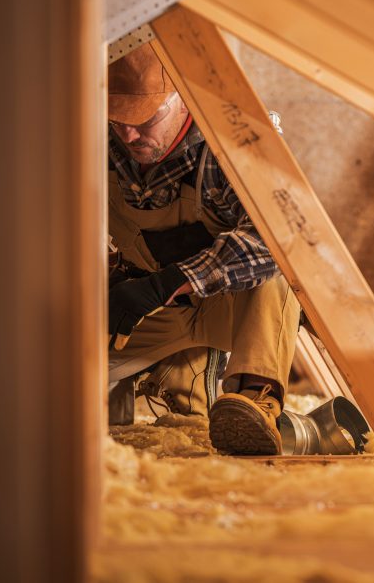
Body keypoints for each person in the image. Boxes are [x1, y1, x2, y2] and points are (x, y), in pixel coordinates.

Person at [105, 43, 299, 455]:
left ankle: (252, 398)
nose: (129, 134)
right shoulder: (102, 142)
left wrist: (168, 282)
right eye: (118, 120)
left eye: (144, 120)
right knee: (46, 378)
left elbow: (278, 235)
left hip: (233, 309)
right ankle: (183, 371)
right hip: (151, 309)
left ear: (182, 99)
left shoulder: (233, 139)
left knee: (278, 266)